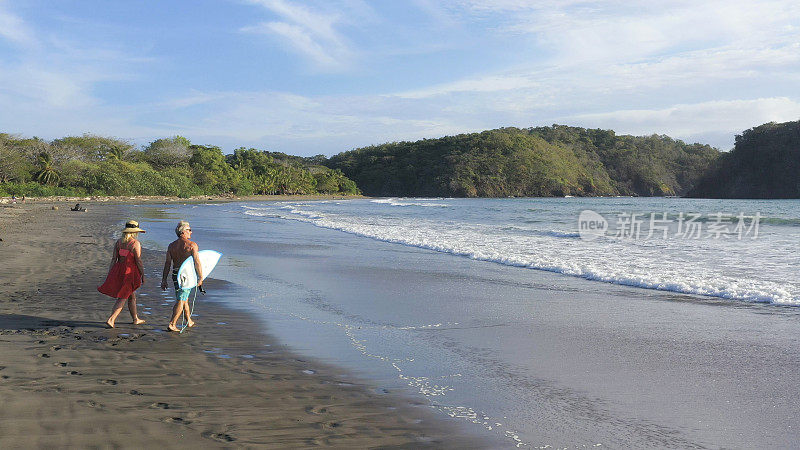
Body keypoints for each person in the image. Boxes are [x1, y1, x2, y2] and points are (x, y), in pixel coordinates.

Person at [98, 220, 146, 328]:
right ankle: (111, 319)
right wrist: (143, 274)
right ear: (135, 232)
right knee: (123, 296)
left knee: (131, 295)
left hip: (119, 270)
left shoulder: (119, 242)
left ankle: (135, 318)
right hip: (129, 272)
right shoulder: (135, 243)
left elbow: (114, 259)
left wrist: (110, 272)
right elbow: (138, 261)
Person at [161, 220, 202, 332]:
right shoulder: (192, 245)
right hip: (187, 275)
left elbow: (168, 263)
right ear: (183, 231)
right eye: (189, 230)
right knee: (181, 299)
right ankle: (172, 323)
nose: (191, 232)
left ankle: (188, 320)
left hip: (176, 274)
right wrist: (201, 277)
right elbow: (197, 262)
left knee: (184, 298)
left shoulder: (171, 246)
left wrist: (164, 279)